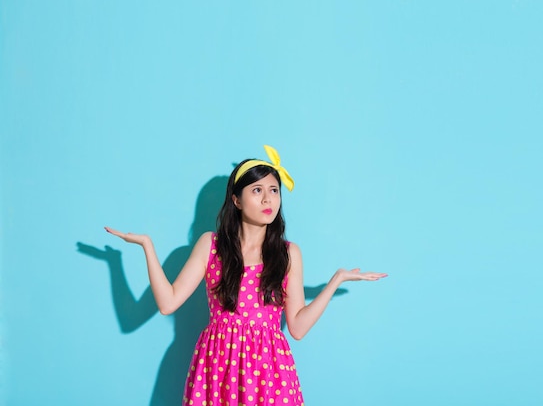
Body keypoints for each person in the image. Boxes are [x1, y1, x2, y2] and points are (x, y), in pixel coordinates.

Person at [105, 145, 388, 406]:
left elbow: (298, 328)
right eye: (257, 190)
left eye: (274, 190)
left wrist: (335, 280)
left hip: (270, 371)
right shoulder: (211, 246)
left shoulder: (288, 254)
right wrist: (147, 247)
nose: (268, 198)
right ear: (236, 200)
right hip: (217, 366)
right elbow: (167, 303)